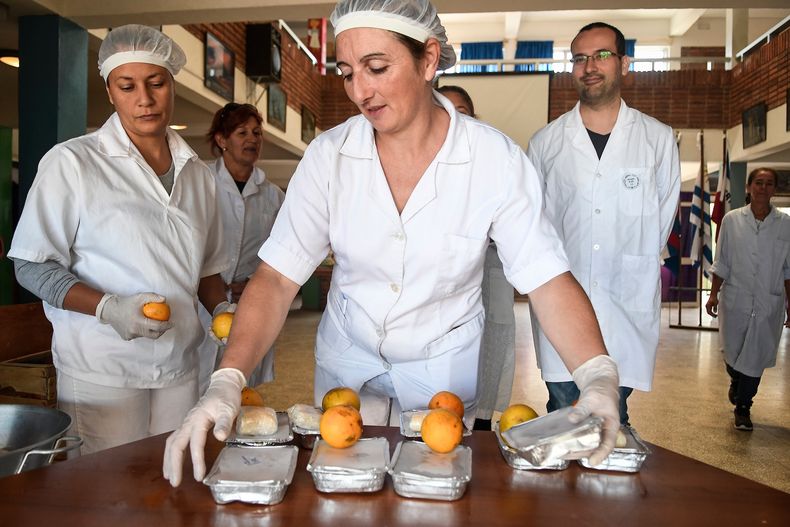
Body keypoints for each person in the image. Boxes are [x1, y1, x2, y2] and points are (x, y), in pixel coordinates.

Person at [163, 0, 621, 487]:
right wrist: (228, 379)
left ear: (428, 60)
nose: (360, 90)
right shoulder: (329, 157)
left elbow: (546, 278)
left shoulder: (494, 161)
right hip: (349, 354)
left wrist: (596, 375)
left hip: (440, 365)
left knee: (433, 487)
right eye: (346, 72)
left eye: (377, 67)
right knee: (343, 488)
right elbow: (277, 277)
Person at [7, 25, 229, 456]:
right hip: (101, 367)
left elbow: (207, 269)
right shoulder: (73, 163)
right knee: (106, 498)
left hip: (180, 366)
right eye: (127, 86)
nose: (144, 99)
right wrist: (109, 308)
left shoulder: (199, 175)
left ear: (172, 84)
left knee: (170, 486)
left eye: (156, 83)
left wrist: (222, 308)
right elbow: (31, 265)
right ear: (110, 91)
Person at [527, 22, 680, 426]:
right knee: (565, 410)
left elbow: (660, 223)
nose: (589, 66)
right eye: (579, 58)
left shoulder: (657, 140)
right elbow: (534, 230)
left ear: (624, 63)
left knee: (613, 412)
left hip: (623, 306)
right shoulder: (545, 144)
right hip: (561, 308)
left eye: (601, 55)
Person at [438, 84, 516, 431]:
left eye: (463, 111)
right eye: (445, 109)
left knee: (489, 352)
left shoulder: (495, 162)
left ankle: (482, 423)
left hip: (490, 275)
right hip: (443, 290)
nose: (454, 117)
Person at [197, 103, 286, 393]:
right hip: (200, 302)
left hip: (250, 299)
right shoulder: (199, 182)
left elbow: (282, 250)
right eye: (242, 132)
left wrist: (253, 283)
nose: (252, 139)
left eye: (257, 133)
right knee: (196, 382)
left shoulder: (273, 196)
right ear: (222, 140)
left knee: (242, 389)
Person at [706, 167, 790, 431]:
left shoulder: (785, 225)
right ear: (749, 187)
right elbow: (722, 262)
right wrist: (713, 294)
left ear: (773, 189)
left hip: (768, 302)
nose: (762, 188)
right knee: (732, 353)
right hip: (736, 298)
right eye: (758, 182)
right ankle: (736, 379)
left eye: (768, 184)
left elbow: (788, 268)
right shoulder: (731, 220)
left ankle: (744, 407)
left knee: (755, 356)